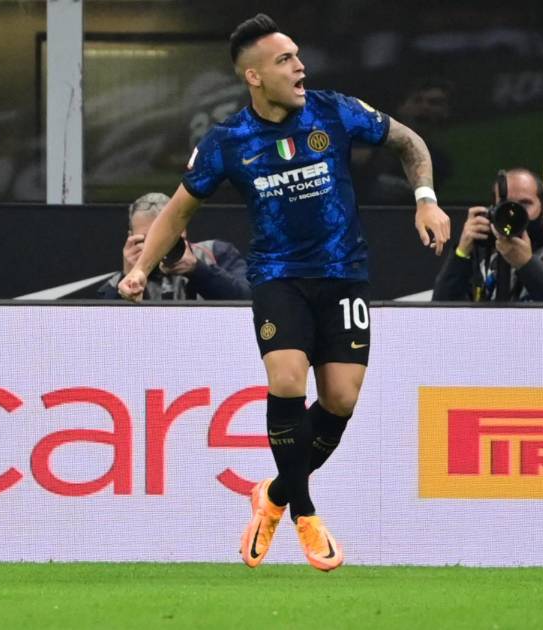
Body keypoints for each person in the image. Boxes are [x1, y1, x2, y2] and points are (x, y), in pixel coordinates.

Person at [117, 14, 451, 572]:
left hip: (344, 274)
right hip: (279, 278)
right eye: (285, 60)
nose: (300, 67)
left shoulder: (335, 110)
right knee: (288, 381)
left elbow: (408, 141)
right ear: (254, 76)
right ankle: (304, 512)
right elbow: (177, 212)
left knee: (340, 399)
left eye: (297, 56)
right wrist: (141, 270)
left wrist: (426, 199)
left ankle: (271, 496)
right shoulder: (228, 141)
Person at [96, 192, 250, 301]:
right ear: (131, 238)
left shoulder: (215, 252)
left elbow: (249, 300)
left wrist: (197, 269)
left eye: (164, 238)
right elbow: (107, 328)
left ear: (183, 230)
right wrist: (129, 277)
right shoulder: (118, 282)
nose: (157, 246)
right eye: (146, 239)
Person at [431, 168, 543, 302]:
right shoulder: (483, 254)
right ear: (493, 210)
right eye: (505, 205)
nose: (512, 213)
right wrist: (461, 253)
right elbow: (441, 307)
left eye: (525, 204)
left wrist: (527, 264)